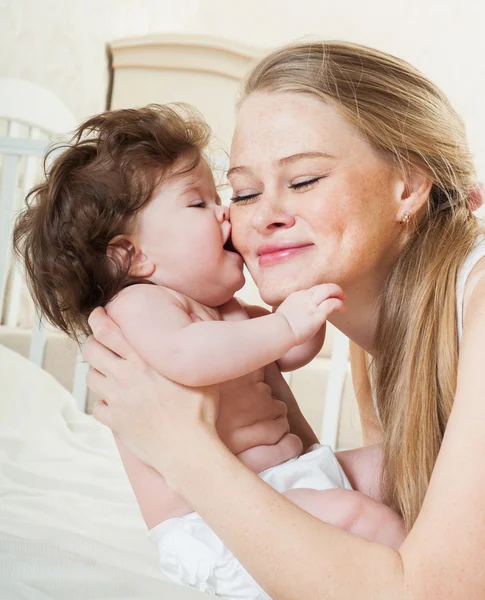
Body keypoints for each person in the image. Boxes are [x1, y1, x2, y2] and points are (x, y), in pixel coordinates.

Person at [82, 39, 485, 599]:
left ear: (409, 186)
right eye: (243, 192)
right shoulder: (381, 339)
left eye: (303, 181)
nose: (261, 215)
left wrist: (183, 451)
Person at [12, 103, 405, 599]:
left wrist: (296, 299)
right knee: (357, 516)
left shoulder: (227, 310)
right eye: (198, 203)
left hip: (292, 482)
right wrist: (285, 323)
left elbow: (293, 352)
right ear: (132, 255)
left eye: (222, 196)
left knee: (403, 466)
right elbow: (187, 357)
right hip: (216, 523)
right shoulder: (139, 307)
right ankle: (427, 582)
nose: (225, 212)